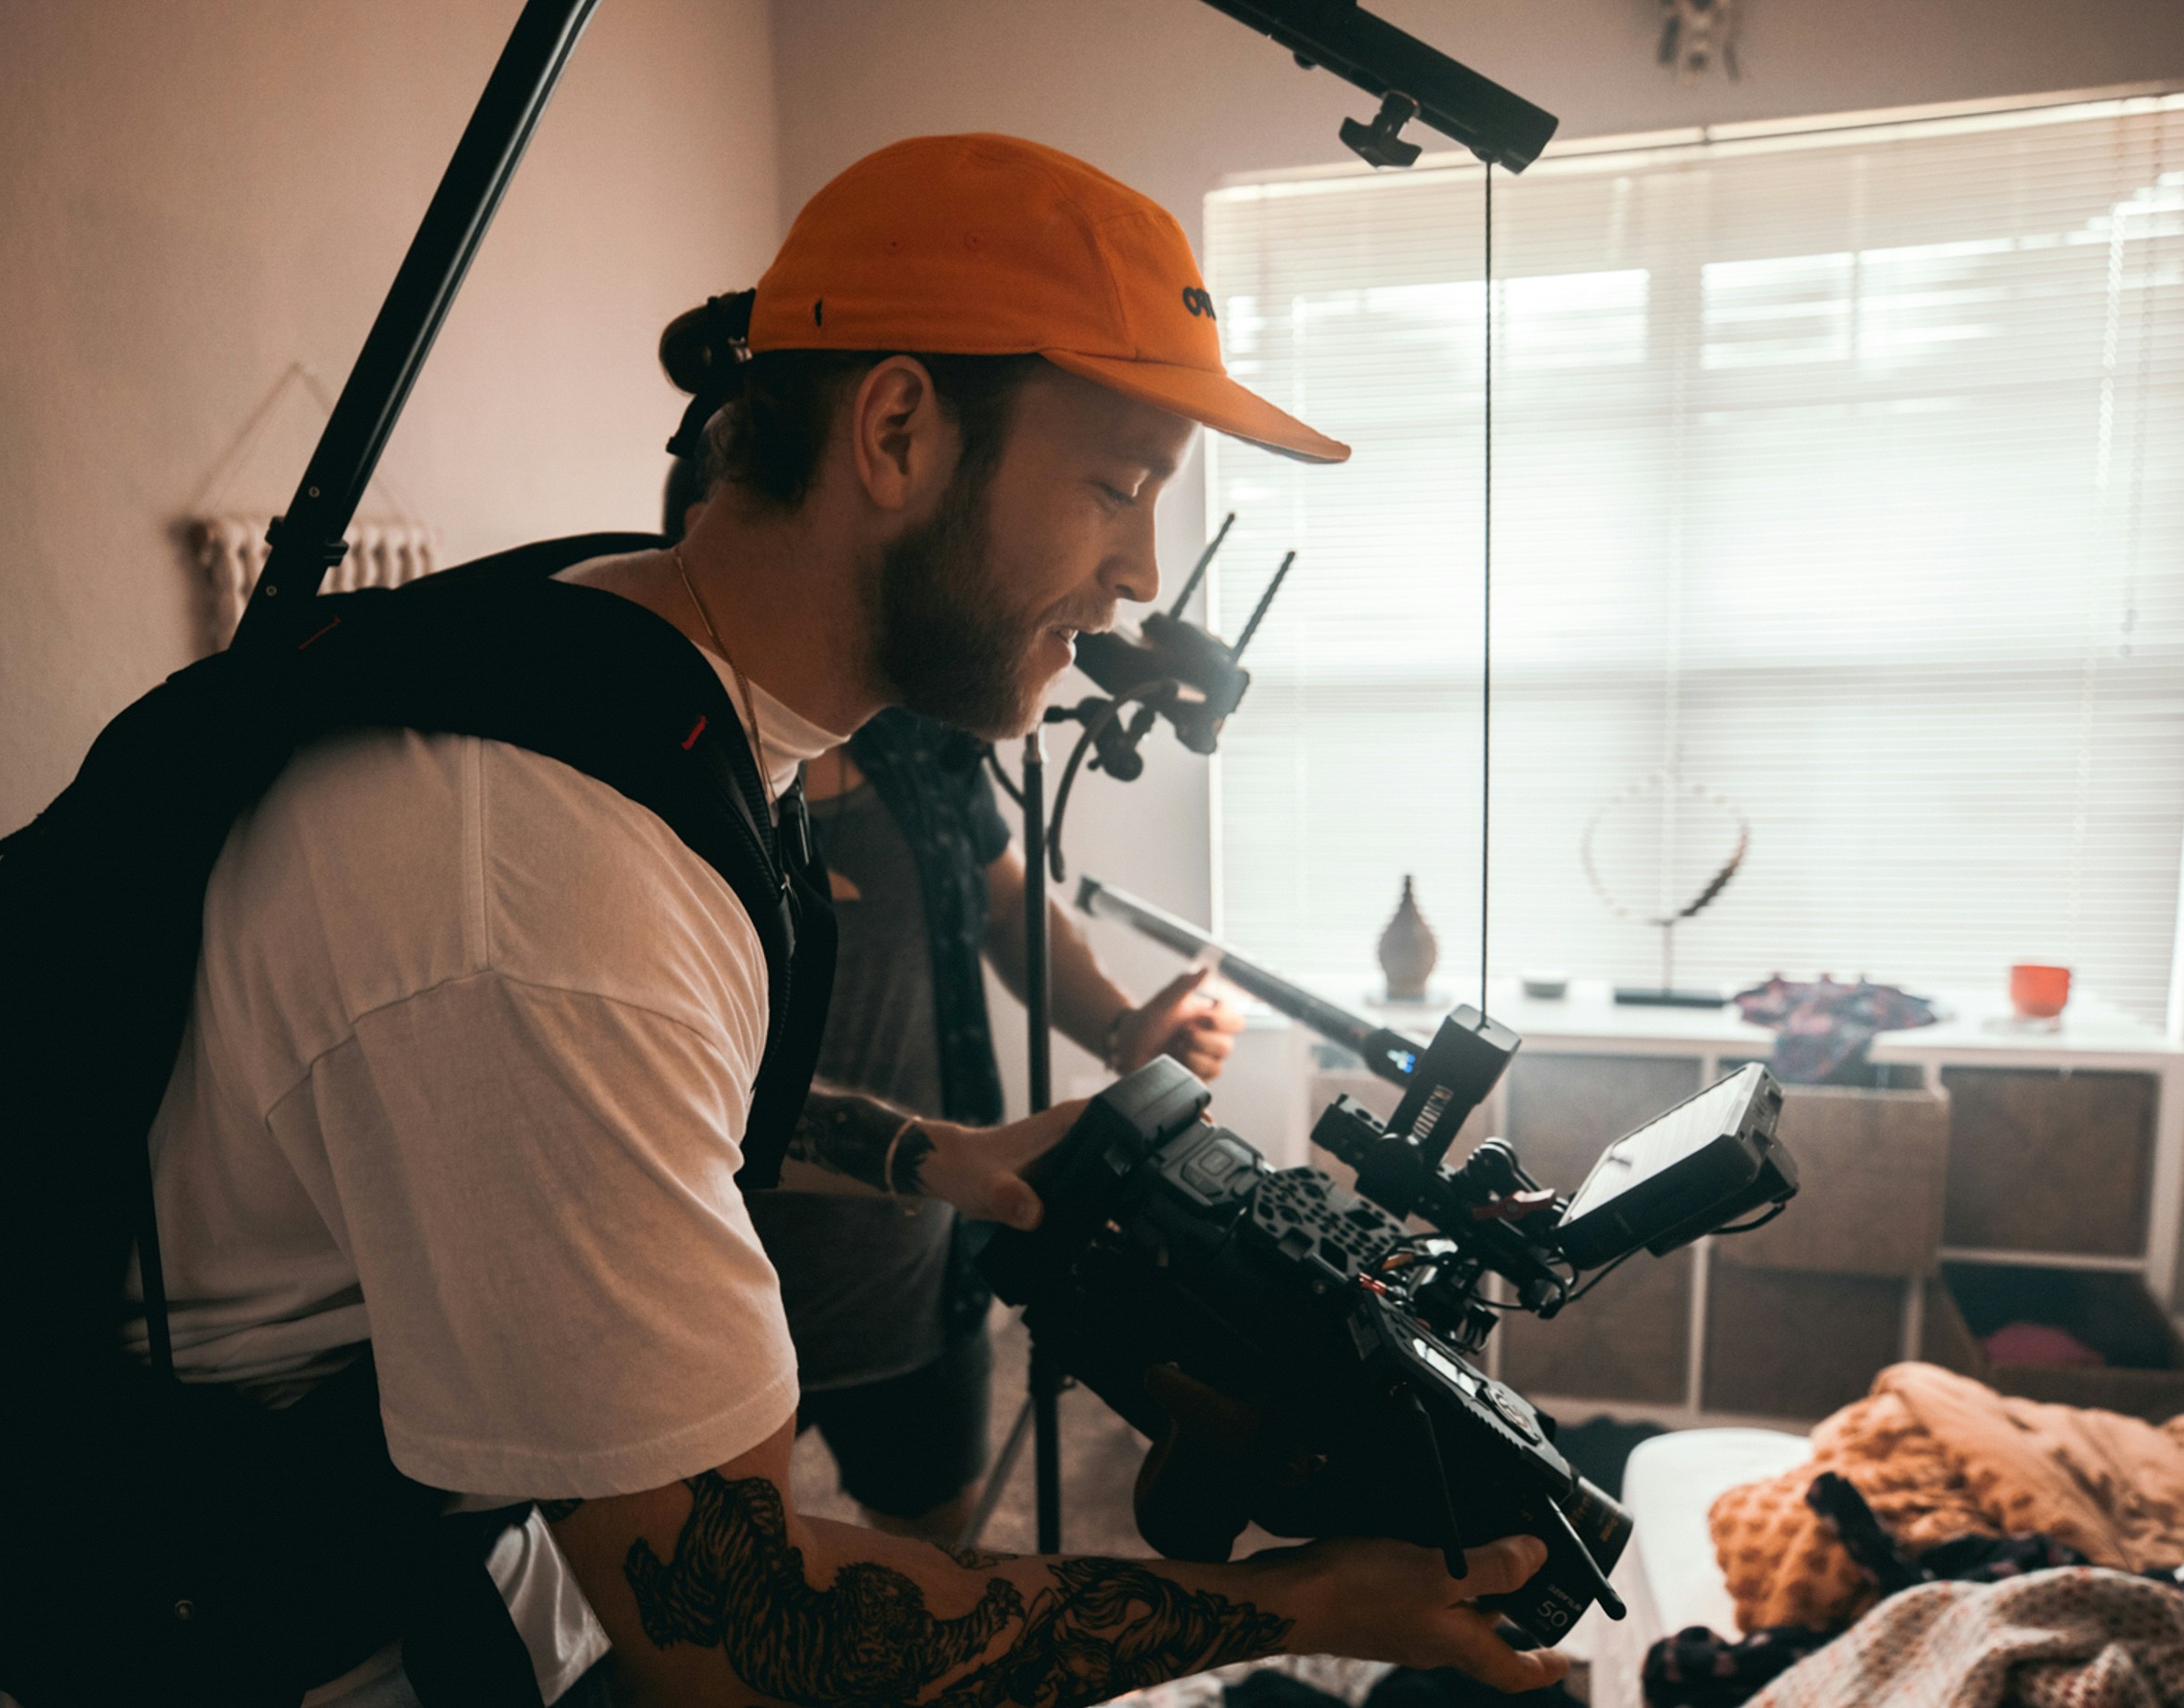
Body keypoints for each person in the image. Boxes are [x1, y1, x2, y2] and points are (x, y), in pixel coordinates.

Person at [127, 133, 1569, 1704]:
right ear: (895, 429)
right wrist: (1287, 1600)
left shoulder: (645, 678)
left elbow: (684, 1093)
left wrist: (924, 1155)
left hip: (461, 1548)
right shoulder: (549, 873)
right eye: (1115, 483)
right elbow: (742, 1633)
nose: (1141, 572)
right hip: (259, 1630)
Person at [667, 444, 1247, 1551]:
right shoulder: (659, 779)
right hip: (712, 1302)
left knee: (930, 1561)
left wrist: (1125, 1026)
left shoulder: (914, 738)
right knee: (729, 1592)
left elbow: (997, 904)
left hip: (918, 1282)